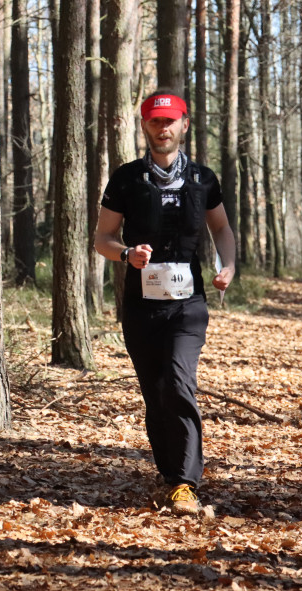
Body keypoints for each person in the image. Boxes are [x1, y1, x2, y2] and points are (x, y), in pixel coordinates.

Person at [94, 89, 236, 514]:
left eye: (170, 121)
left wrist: (227, 266)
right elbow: (102, 239)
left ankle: (185, 482)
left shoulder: (203, 179)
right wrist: (125, 255)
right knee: (156, 395)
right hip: (140, 305)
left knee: (179, 382)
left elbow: (222, 229)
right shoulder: (125, 179)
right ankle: (169, 472)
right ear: (145, 127)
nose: (163, 128)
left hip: (188, 304)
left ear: (184, 125)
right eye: (155, 121)